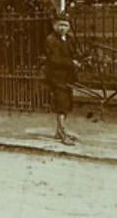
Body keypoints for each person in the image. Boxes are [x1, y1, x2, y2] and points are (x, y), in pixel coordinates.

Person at [44, 11, 81, 145]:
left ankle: (58, 131)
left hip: (67, 78)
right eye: (60, 25)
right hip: (56, 77)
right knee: (61, 104)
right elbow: (54, 59)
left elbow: (73, 54)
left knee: (66, 103)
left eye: (65, 25)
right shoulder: (51, 40)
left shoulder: (69, 39)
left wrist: (78, 60)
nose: (63, 28)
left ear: (69, 26)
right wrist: (72, 63)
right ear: (54, 26)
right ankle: (63, 133)